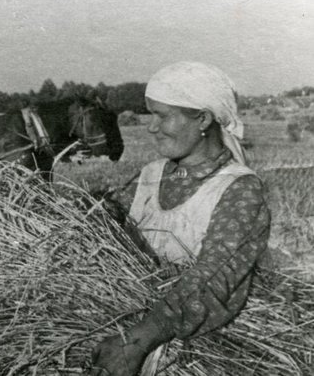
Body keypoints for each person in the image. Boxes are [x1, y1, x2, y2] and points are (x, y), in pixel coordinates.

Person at [88, 62, 271, 376]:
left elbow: (213, 280)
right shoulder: (150, 175)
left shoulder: (239, 190)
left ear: (202, 119)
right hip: (130, 314)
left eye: (162, 115)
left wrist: (137, 340)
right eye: (150, 114)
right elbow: (109, 235)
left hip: (180, 342)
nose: (151, 127)